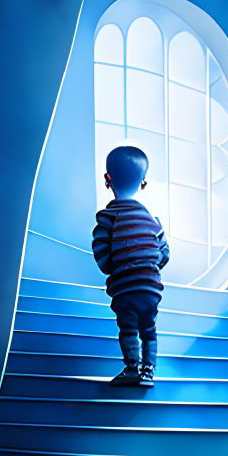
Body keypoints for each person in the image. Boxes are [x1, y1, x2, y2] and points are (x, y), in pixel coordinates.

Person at [91, 145, 169, 387]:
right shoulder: (153, 220)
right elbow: (164, 254)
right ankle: (149, 372)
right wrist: (148, 269)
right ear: (143, 182)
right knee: (149, 329)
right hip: (150, 288)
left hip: (124, 288)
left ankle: (131, 369)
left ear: (108, 179)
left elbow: (102, 256)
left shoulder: (107, 217)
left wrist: (119, 267)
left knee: (127, 328)